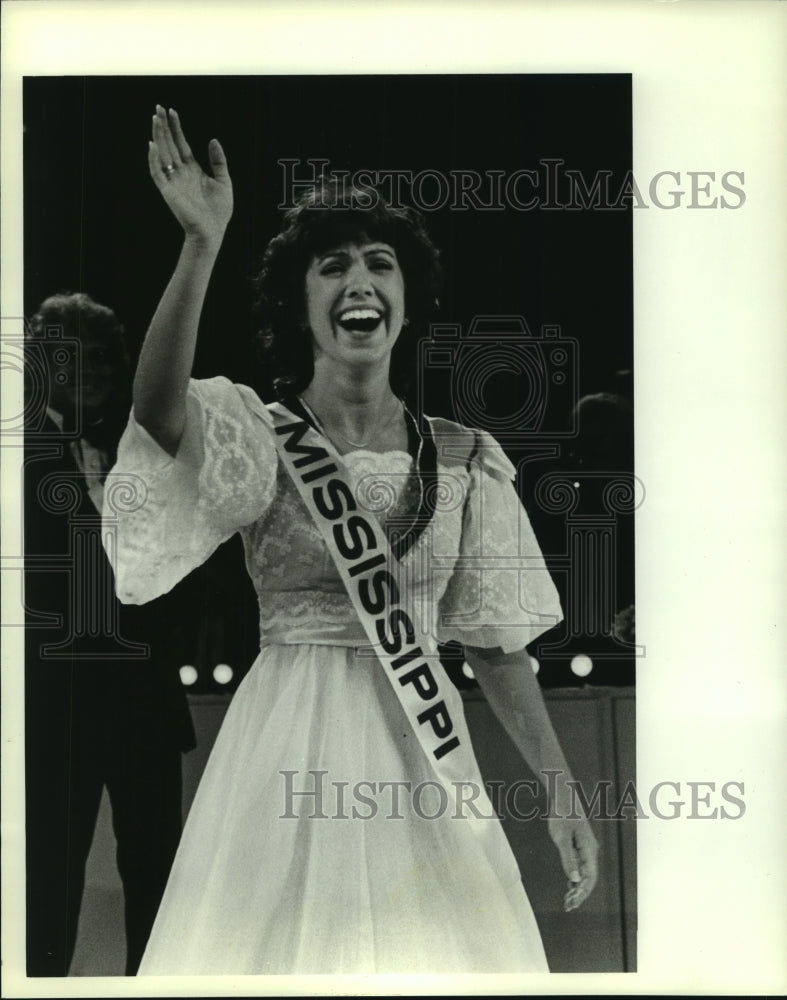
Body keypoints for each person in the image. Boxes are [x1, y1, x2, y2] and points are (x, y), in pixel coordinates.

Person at [105, 104, 598, 975]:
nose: (358, 280)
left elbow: (496, 650)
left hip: (422, 752)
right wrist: (199, 245)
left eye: (380, 264)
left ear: (407, 301)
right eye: (332, 266)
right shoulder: (259, 433)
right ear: (303, 306)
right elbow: (157, 409)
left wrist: (560, 791)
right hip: (285, 740)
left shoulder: (464, 456)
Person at [24, 292, 195, 976]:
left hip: (142, 704)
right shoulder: (16, 451)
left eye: (103, 357)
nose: (93, 369)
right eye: (73, 356)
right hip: (54, 706)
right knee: (49, 876)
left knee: (157, 877)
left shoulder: (143, 450)